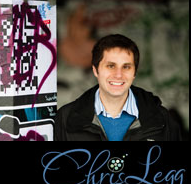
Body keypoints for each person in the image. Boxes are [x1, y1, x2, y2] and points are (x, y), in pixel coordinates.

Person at [54, 34, 182, 141]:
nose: (118, 75)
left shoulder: (162, 119)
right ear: (95, 70)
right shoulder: (65, 118)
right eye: (111, 66)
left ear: (134, 73)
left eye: (126, 67)